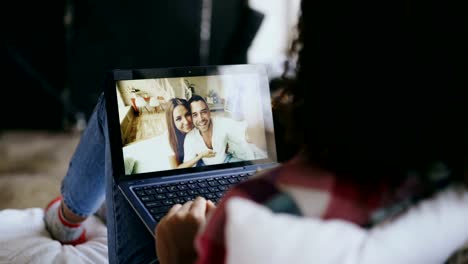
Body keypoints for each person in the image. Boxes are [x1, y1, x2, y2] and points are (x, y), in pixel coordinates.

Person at [44, 0, 468, 263]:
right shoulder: (450, 193)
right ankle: (93, 208)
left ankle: (69, 218)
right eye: (188, 115)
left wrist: (177, 256)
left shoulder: (249, 221)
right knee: (148, 179)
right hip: (217, 191)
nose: (195, 117)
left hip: (187, 247)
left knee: (109, 108)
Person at [183, 95, 255, 166]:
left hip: (226, 160)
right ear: (191, 118)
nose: (201, 119)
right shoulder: (190, 138)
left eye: (203, 112)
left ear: (209, 111)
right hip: (206, 168)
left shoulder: (221, 122)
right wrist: (200, 156)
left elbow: (244, 132)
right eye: (195, 115)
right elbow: (187, 166)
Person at [165, 98, 216, 169]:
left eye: (187, 114)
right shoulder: (169, 139)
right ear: (172, 122)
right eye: (179, 119)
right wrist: (200, 156)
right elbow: (175, 169)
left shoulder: (197, 125)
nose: (186, 122)